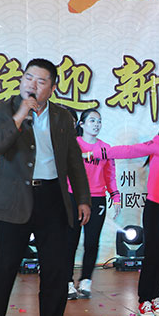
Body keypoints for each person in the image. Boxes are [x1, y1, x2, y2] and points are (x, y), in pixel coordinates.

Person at [0, 58, 91, 316]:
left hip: (52, 198)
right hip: (14, 199)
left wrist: (82, 198)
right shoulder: (3, 109)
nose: (33, 85)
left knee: (56, 269)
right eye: (28, 78)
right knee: (4, 268)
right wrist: (20, 115)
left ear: (52, 87)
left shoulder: (62, 117)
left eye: (41, 81)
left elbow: (74, 161)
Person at [89, 101, 159, 316]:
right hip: (156, 207)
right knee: (153, 253)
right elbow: (130, 151)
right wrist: (101, 152)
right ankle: (144, 299)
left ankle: (156, 296)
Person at [66, 109, 121, 300]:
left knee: (92, 242)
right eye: (92, 120)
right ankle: (67, 281)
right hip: (74, 196)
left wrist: (115, 196)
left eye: (99, 121)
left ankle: (86, 280)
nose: (96, 124)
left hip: (97, 198)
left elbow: (110, 175)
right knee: (70, 241)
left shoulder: (105, 148)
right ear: (81, 124)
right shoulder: (72, 144)